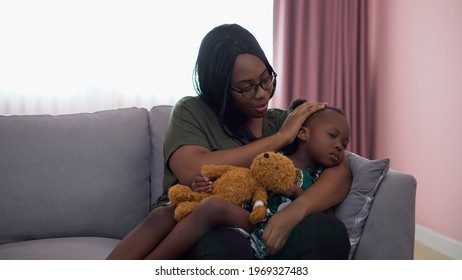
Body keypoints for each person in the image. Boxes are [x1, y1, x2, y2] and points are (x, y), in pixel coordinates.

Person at [106, 23, 351, 260]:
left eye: (267, 79)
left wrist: (295, 212)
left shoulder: (288, 122)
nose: (263, 93)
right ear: (219, 88)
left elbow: (340, 168)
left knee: (330, 232)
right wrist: (279, 139)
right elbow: (193, 169)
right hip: (199, 225)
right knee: (229, 246)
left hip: (263, 224)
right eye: (247, 88)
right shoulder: (192, 111)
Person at [130, 99, 351, 260]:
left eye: (345, 142)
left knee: (213, 208)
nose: (340, 145)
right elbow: (240, 179)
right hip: (248, 217)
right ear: (302, 134)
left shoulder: (320, 176)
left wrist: (295, 195)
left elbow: (324, 218)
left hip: (265, 227)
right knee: (174, 212)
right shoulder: (274, 157)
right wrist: (206, 185)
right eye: (333, 136)